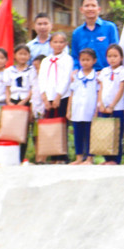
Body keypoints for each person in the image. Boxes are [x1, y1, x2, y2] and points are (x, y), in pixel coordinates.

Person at [37, 32, 74, 163]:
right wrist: (44, 97)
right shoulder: (45, 60)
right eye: (55, 42)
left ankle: (62, 156)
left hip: (62, 97)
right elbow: (41, 78)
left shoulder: (67, 59)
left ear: (65, 44)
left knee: (61, 125)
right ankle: (51, 154)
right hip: (48, 97)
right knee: (49, 125)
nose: (58, 45)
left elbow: (65, 79)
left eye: (61, 42)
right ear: (50, 43)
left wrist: (58, 95)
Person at [97, 43, 124, 165]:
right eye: (109, 56)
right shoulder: (104, 71)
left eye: (115, 56)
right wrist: (101, 104)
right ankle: (107, 159)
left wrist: (112, 105)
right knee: (105, 133)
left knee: (116, 134)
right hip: (103, 107)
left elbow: (120, 90)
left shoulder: (122, 72)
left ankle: (116, 160)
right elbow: (101, 88)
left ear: (121, 57)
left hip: (116, 108)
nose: (112, 59)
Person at [70, 0, 121, 70]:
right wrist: (75, 70)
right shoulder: (77, 33)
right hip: (85, 75)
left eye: (93, 6)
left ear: (99, 9)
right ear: (81, 9)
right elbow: (75, 56)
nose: (90, 8)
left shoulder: (110, 27)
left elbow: (116, 52)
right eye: (87, 6)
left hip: (107, 73)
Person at [68, 48, 100, 165]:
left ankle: (90, 158)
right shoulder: (76, 76)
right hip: (77, 110)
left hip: (90, 110)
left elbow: (98, 93)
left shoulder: (96, 76)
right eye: (83, 60)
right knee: (78, 134)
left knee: (90, 134)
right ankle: (79, 157)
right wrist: (69, 110)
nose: (85, 62)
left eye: (88, 60)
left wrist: (97, 108)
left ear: (94, 61)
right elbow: (72, 93)